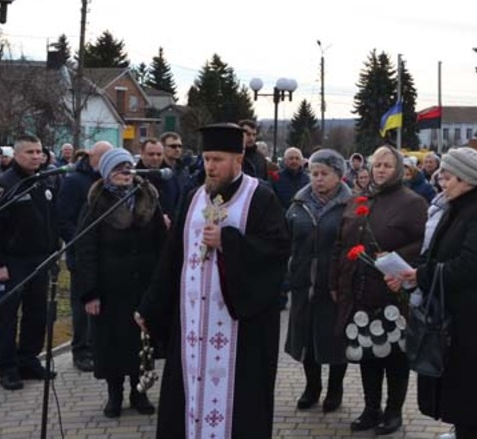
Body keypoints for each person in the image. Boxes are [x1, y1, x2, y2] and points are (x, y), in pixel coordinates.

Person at [136, 123, 290, 438]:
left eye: (218, 159)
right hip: (192, 325)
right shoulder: (193, 198)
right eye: (207, 158)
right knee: (187, 399)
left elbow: (277, 251)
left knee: (240, 407)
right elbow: (171, 257)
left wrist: (229, 242)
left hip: (239, 328)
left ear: (238, 158)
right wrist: (150, 305)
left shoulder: (260, 197)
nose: (210, 166)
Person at [391, 147, 477, 439]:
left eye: (447, 177)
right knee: (462, 401)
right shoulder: (457, 208)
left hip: (476, 324)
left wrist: (423, 274)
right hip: (456, 320)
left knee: (473, 405)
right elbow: (435, 254)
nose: (441, 183)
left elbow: (474, 265)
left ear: (467, 179)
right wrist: (413, 275)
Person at [330, 145, 427, 435]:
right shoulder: (359, 199)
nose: (381, 170)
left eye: (387, 165)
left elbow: (424, 244)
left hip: (392, 291)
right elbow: (340, 243)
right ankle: (371, 409)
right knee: (366, 353)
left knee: (394, 355)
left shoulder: (412, 202)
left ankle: (393, 411)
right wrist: (335, 281)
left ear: (399, 169)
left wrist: (395, 258)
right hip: (357, 291)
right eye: (377, 165)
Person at [75, 147, 168, 417]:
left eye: (128, 166)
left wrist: (162, 285)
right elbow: (85, 250)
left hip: (143, 287)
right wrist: (90, 292)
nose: (124, 172)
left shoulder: (149, 198)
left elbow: (163, 244)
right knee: (112, 344)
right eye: (117, 168)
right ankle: (114, 395)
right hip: (110, 289)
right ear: (105, 173)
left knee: (142, 345)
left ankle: (139, 393)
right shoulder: (96, 204)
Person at [285, 149, 351, 413]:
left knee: (335, 339)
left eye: (325, 173)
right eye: (314, 173)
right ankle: (312, 387)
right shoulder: (298, 204)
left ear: (339, 176)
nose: (318, 179)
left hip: (334, 285)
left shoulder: (350, 206)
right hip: (303, 283)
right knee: (306, 338)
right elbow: (286, 240)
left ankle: (335, 389)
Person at [0, 134, 59, 390]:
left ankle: (28, 360)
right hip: (12, 260)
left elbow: (50, 219)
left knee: (37, 313)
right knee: (6, 317)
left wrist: (53, 251)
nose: (37, 156)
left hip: (40, 258)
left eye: (39, 152)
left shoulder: (44, 181)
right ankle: (7, 367)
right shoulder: (6, 184)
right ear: (16, 155)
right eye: (30, 152)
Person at [58, 140, 113, 372]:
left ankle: (97, 346)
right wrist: (82, 240)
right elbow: (63, 218)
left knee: (100, 304)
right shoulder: (74, 182)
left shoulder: (106, 182)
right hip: (81, 254)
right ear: (94, 158)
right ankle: (80, 350)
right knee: (82, 305)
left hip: (105, 255)